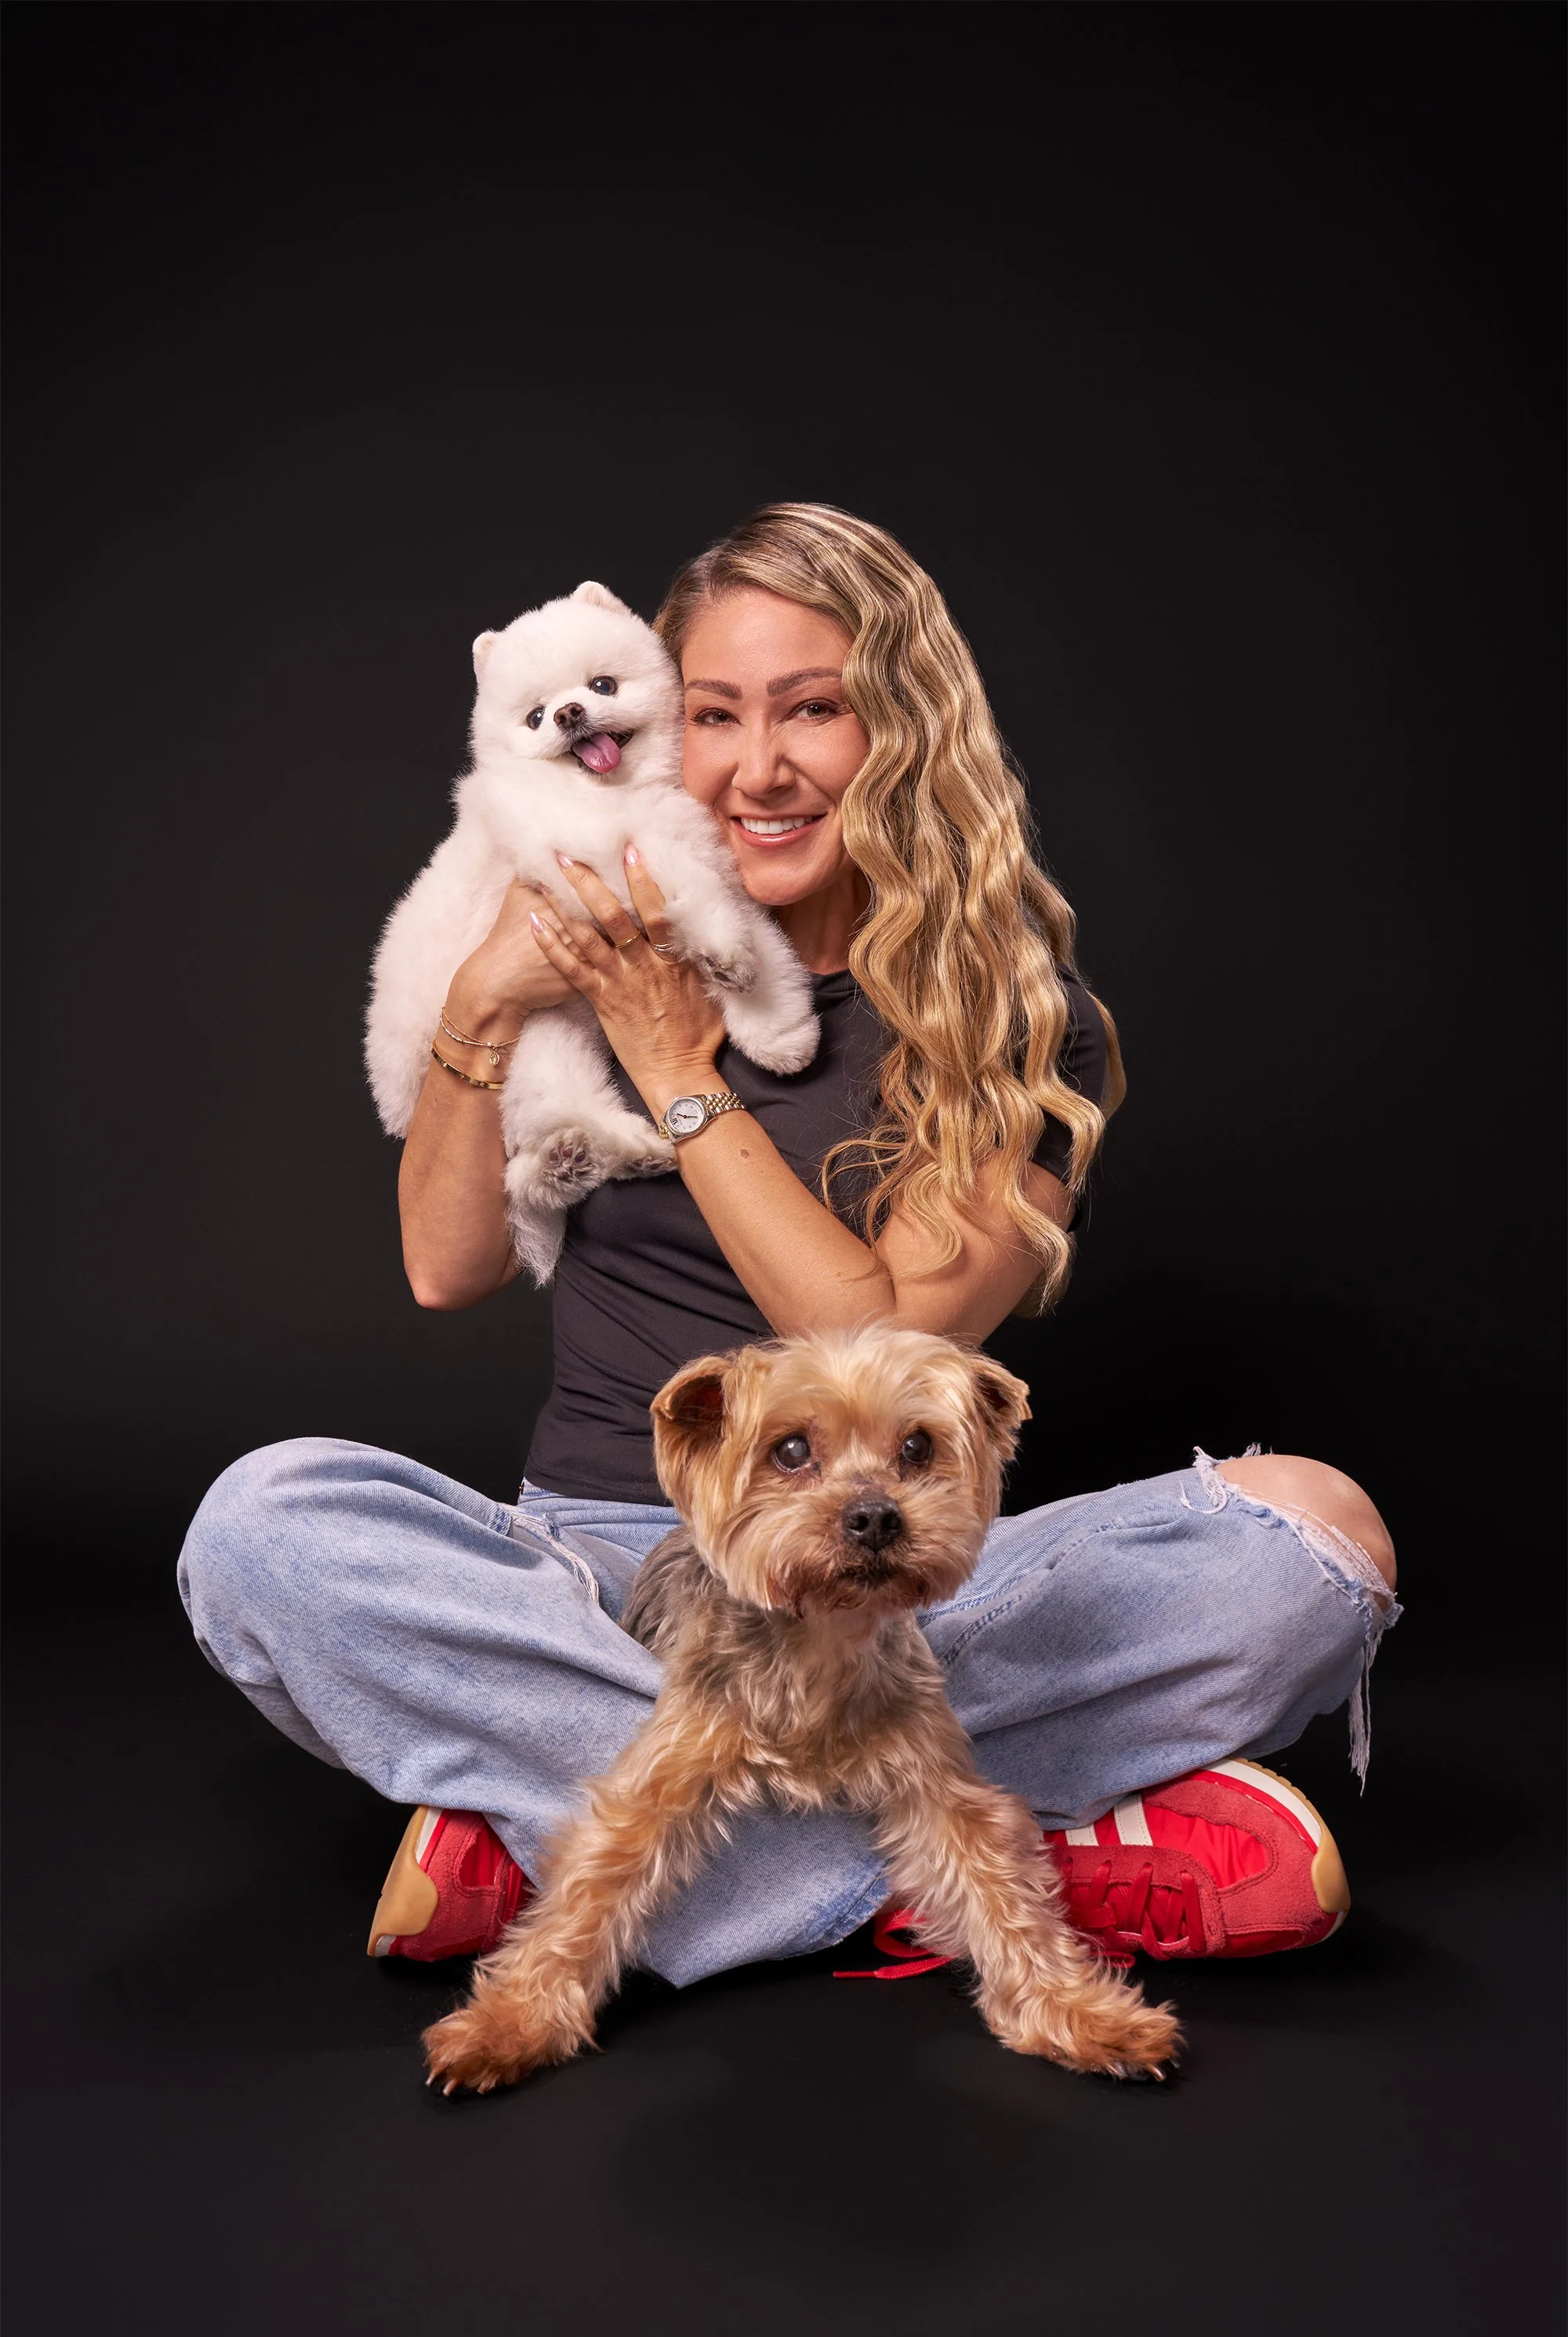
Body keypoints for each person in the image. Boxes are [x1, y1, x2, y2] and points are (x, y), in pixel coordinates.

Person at [179, 503, 1399, 1987]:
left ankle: (578, 1834)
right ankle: (970, 1855)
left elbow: (882, 1344)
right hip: (603, 1573)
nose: (758, 769)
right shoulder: (592, 938)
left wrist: (676, 1068)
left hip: (884, 1576)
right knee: (260, 1526)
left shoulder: (1013, 1019)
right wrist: (483, 1004)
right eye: (714, 715)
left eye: (814, 710)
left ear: (902, 735)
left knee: (1317, 1537)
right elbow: (448, 1270)